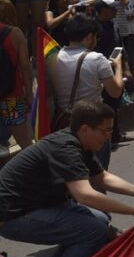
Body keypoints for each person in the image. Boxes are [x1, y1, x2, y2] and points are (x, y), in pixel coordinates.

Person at [0, 100, 134, 257]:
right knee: (94, 231)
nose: (108, 136)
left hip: (42, 205)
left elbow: (103, 178)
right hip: (14, 216)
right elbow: (85, 195)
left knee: (101, 220)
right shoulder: (65, 148)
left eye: (111, 130)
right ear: (85, 129)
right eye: (105, 131)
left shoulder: (80, 143)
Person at [47, 14, 124, 169]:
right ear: (89, 37)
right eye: (96, 37)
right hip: (93, 124)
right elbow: (115, 91)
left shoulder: (53, 57)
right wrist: (118, 66)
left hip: (65, 123)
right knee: (97, 176)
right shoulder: (97, 59)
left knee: (72, 178)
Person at [0, 0, 33, 150]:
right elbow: (26, 67)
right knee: (25, 143)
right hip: (12, 95)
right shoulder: (15, 33)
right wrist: (30, 94)